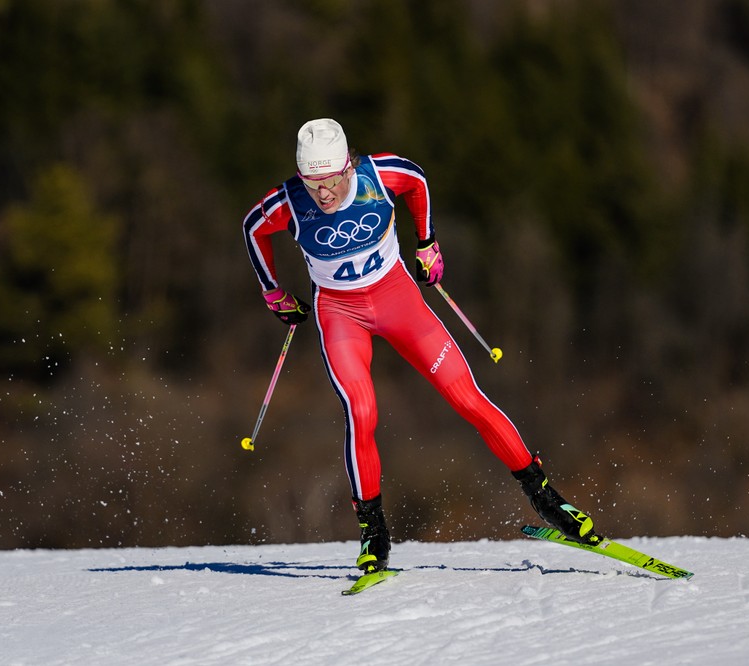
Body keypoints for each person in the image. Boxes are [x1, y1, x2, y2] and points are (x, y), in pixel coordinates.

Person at [242, 118, 599, 574]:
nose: (324, 194)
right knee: (361, 410)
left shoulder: (378, 175)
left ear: (348, 166)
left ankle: (548, 500)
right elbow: (253, 228)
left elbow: (416, 180)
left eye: (331, 181)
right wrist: (272, 291)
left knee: (467, 397)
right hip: (340, 313)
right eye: (313, 184)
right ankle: (374, 533)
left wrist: (426, 241)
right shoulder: (287, 202)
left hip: (398, 300)